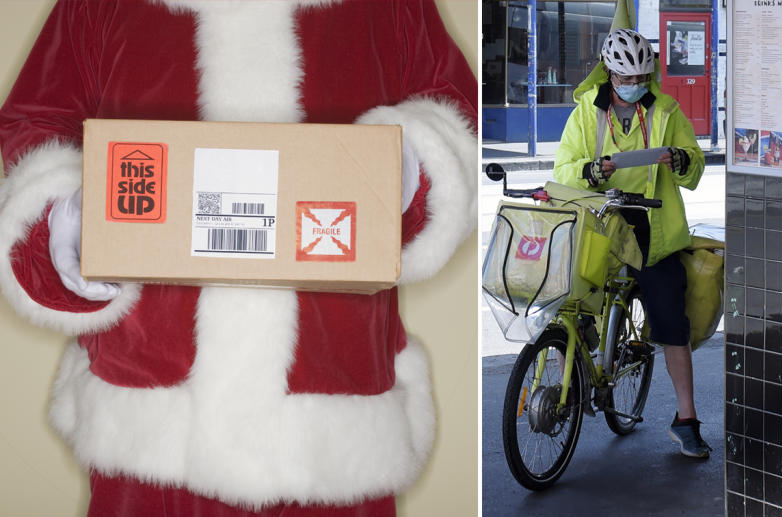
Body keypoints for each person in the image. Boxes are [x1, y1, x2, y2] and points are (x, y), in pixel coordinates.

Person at [0, 1, 477, 515]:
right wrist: (57, 211)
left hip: (331, 408)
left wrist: (412, 166)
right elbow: (38, 117)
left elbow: (453, 110)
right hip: (150, 412)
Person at [553, 28, 710, 458]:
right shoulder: (587, 111)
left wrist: (681, 160)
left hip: (652, 232)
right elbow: (562, 169)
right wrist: (588, 172)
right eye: (625, 78)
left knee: (670, 323)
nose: (633, 84)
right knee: (569, 297)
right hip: (600, 227)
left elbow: (695, 170)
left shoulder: (666, 111)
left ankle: (687, 419)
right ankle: (582, 354)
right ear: (609, 73)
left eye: (641, 76)